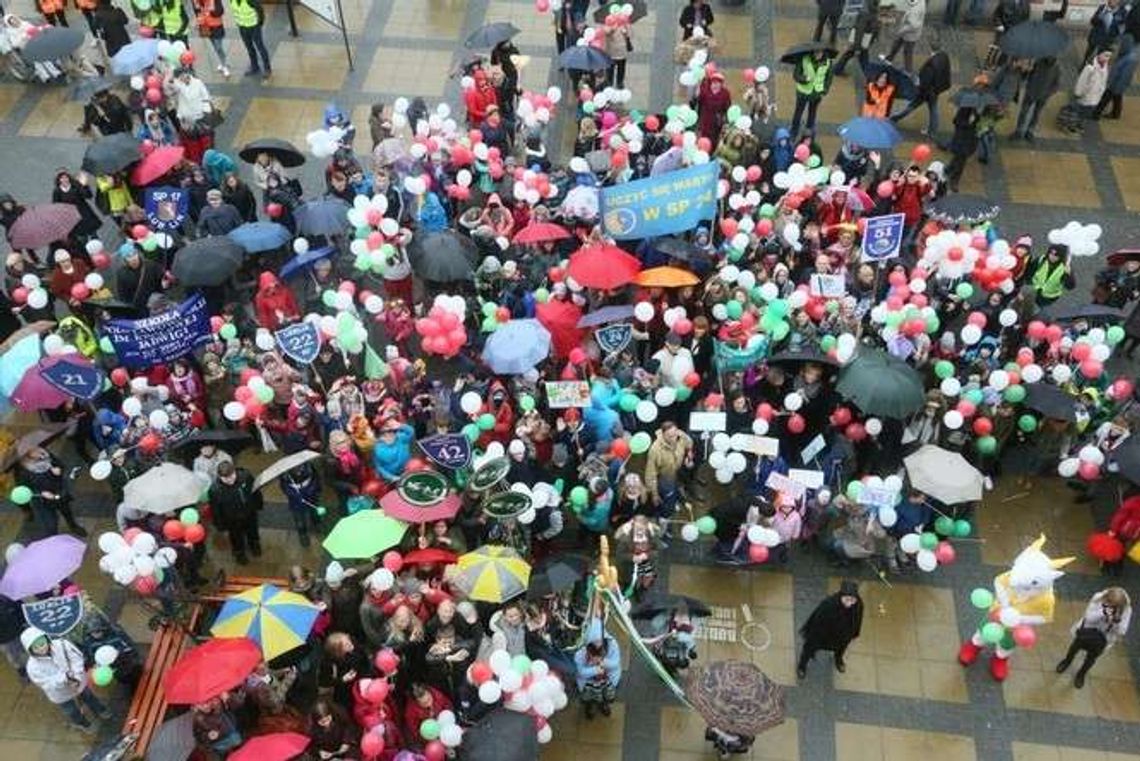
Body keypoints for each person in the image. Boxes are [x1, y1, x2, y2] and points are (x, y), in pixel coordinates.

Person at [22, 626, 111, 733]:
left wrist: (76, 675)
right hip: (60, 694)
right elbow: (45, 684)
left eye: (42, 644)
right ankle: (82, 723)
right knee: (71, 710)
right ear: (30, 650)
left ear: (46, 639)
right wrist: (64, 679)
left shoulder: (62, 645)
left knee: (89, 696)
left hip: (78, 683)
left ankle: (100, 709)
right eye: (36, 648)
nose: (41, 649)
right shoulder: (32, 667)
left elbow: (77, 658)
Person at [1057, 588, 1131, 688]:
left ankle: (1081, 674)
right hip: (1086, 632)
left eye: (1114, 605)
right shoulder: (1098, 598)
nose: (1110, 606)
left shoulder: (1126, 610)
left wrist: (1114, 622)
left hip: (1103, 639)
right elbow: (1088, 617)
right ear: (1105, 598)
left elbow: (1122, 631)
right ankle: (1066, 661)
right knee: (1074, 648)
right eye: (1108, 602)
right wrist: (1103, 612)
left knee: (1091, 658)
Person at [797, 580, 863, 679]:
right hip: (823, 634)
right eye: (847, 599)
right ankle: (802, 666)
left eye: (852, 600)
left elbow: (858, 619)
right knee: (809, 648)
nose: (849, 604)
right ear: (841, 596)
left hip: (843, 635)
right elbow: (817, 621)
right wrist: (813, 636)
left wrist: (854, 633)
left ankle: (838, 659)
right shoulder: (828, 604)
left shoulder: (858, 605)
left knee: (841, 648)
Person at [890, 43, 951, 138]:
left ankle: (896, 118)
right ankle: (932, 131)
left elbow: (926, 81)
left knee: (913, 105)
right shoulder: (944, 56)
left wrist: (918, 84)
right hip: (935, 90)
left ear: (932, 50)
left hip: (927, 91)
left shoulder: (932, 64)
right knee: (932, 109)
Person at [209, 460, 263, 565]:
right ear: (220, 477)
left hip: (249, 512)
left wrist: (258, 504)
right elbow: (215, 508)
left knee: (253, 531)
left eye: (231, 476)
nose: (230, 480)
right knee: (236, 537)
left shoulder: (245, 477)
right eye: (226, 478)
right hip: (232, 519)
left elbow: (255, 490)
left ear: (235, 472)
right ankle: (239, 553)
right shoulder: (215, 490)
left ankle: (254, 546)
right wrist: (219, 524)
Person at [574, 617, 621, 719]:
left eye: (600, 639)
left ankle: (604, 704)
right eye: (595, 640)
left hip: (606, 680)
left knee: (605, 694)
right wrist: (595, 670)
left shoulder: (612, 644)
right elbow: (581, 671)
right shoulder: (581, 652)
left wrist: (602, 662)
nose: (598, 642)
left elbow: (616, 663)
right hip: (589, 683)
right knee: (589, 697)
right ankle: (590, 706)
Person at [1012, 57, 1060, 141]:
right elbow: (1055, 85)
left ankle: (1023, 131)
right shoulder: (1042, 63)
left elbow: (1056, 85)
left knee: (1031, 113)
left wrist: (1048, 93)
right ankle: (1025, 131)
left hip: (1035, 92)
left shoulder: (1052, 66)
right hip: (1034, 92)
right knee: (1030, 113)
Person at [790, 48, 833, 137]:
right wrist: (804, 79)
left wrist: (825, 90)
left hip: (816, 93)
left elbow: (829, 78)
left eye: (819, 52)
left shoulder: (828, 62)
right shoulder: (804, 59)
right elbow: (796, 75)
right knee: (798, 112)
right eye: (815, 52)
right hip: (803, 92)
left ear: (823, 52)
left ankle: (808, 131)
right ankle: (794, 131)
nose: (817, 54)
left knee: (812, 113)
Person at [1095, 33, 1138, 119]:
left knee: (1109, 95)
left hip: (1117, 82)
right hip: (1116, 81)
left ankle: (1096, 113)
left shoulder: (1130, 58)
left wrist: (1117, 85)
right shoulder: (1126, 54)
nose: (1119, 46)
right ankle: (1115, 113)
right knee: (1117, 96)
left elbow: (1125, 75)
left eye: (1121, 44)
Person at [834, 0, 880, 76]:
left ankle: (837, 69)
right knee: (862, 59)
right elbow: (860, 31)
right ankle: (869, 77)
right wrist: (857, 47)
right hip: (861, 41)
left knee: (850, 55)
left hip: (861, 40)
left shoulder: (869, 12)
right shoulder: (868, 14)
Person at [231, 0, 271, 78]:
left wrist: (260, 22)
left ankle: (267, 69)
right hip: (242, 27)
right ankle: (255, 67)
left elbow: (260, 9)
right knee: (249, 48)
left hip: (254, 26)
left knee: (260, 47)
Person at [884, 0, 925, 72]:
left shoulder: (916, 9)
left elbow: (913, 26)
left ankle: (908, 71)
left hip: (910, 35)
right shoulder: (919, 2)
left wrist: (900, 31)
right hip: (906, 31)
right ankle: (888, 59)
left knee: (907, 52)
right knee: (896, 44)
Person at [944, 106, 978, 193]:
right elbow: (956, 121)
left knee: (960, 156)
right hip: (961, 138)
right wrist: (968, 123)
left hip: (971, 138)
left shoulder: (977, 110)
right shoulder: (965, 108)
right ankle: (954, 180)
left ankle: (950, 168)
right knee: (962, 160)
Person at [193, 0, 230, 78]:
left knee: (218, 47)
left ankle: (224, 65)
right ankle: (222, 62)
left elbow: (220, 11)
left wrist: (210, 11)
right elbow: (197, 12)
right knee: (215, 47)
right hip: (206, 26)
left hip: (216, 25)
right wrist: (198, 22)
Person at [1075, 49, 1112, 118]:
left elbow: (1103, 82)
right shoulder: (1090, 67)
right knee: (1080, 113)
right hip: (1085, 96)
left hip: (1095, 97)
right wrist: (1078, 93)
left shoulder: (1105, 66)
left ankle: (1081, 124)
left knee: (1087, 113)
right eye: (1106, 55)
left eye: (1109, 56)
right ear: (1099, 54)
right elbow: (1082, 81)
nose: (1107, 58)